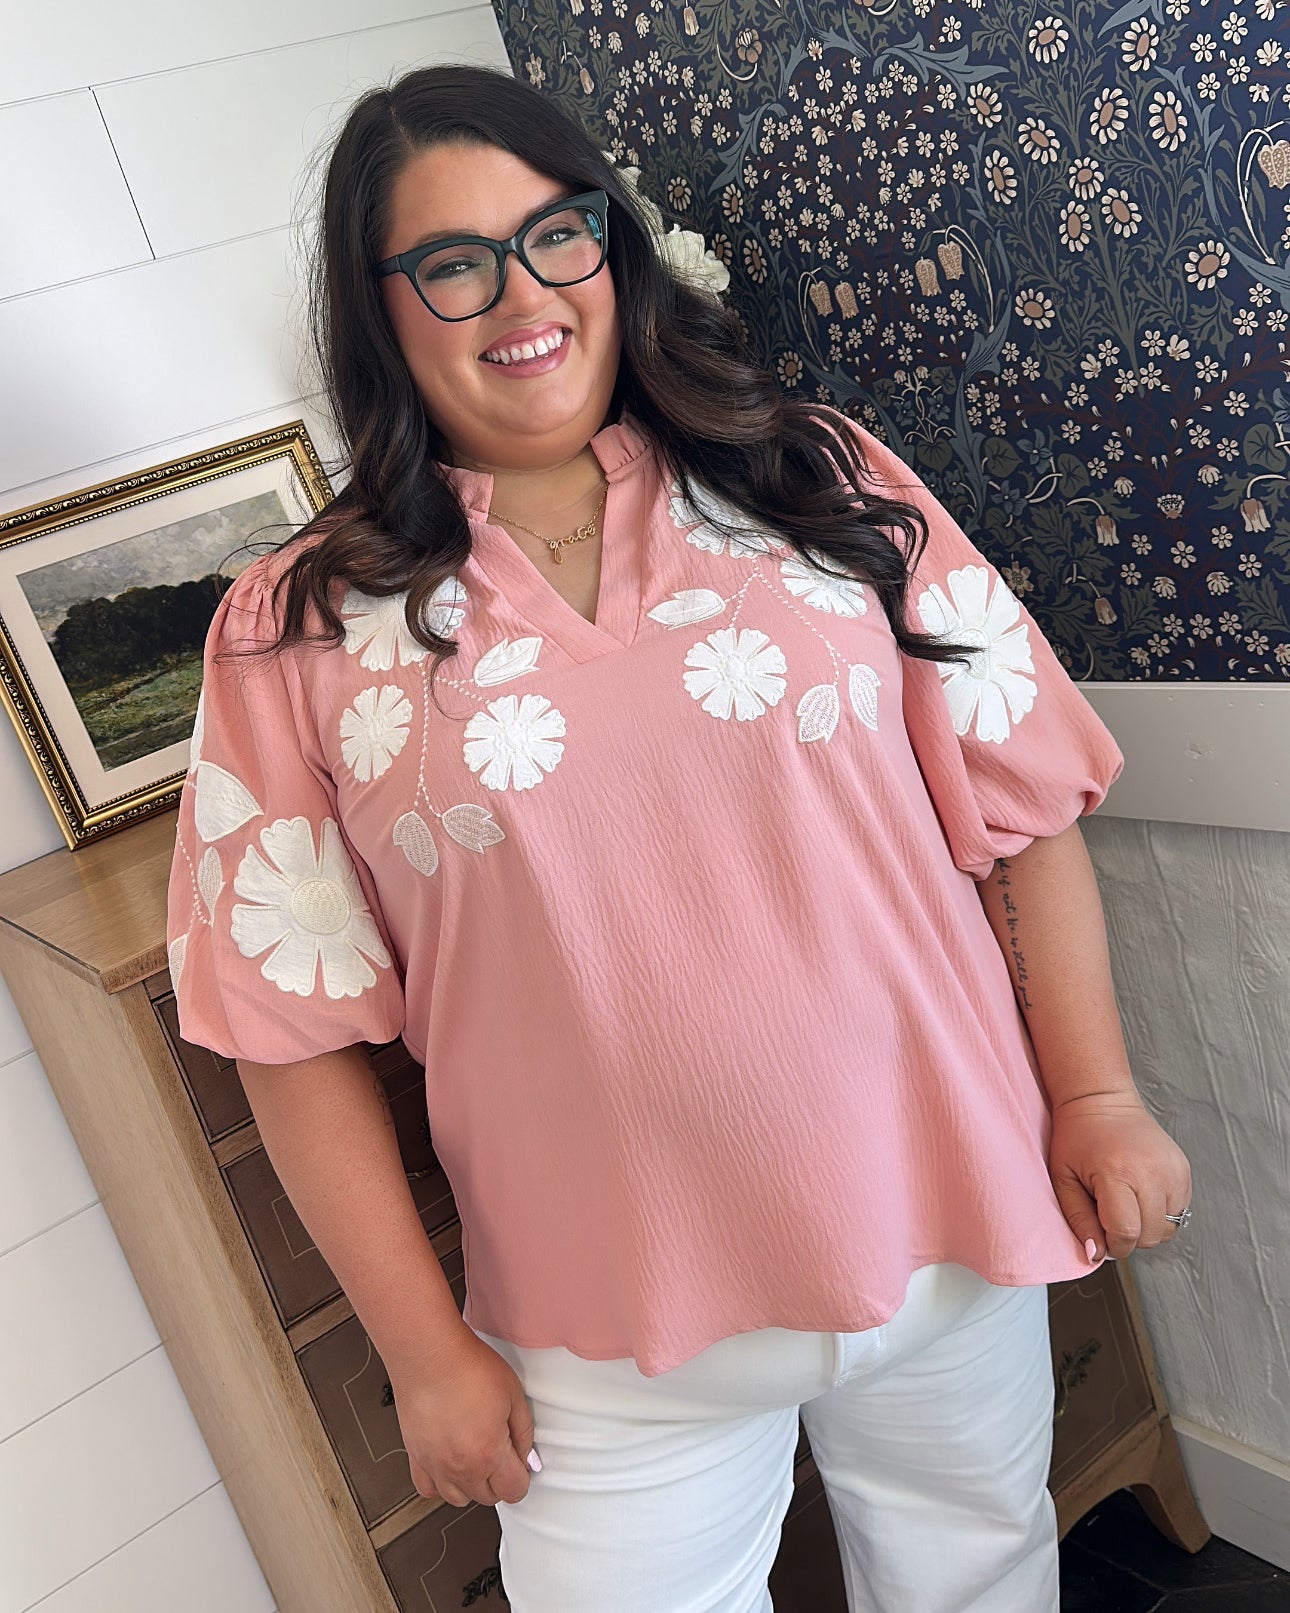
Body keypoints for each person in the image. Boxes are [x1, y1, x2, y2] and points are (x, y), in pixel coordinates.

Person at [166, 63, 1192, 1613]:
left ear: (611, 246)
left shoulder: (816, 479)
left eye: (555, 234)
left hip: (953, 1222)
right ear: (378, 309)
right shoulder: (295, 629)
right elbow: (285, 1024)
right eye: (452, 262)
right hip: (606, 1325)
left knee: (980, 1575)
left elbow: (1020, 804)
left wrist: (1097, 1093)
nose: (522, 293)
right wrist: (421, 1347)